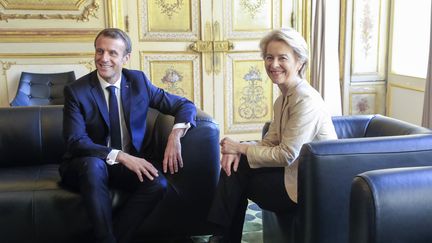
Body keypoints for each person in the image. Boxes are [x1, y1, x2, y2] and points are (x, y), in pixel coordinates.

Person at [59, 28, 196, 243]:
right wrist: (122, 156)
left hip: (124, 167)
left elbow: (183, 105)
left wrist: (175, 135)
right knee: (94, 166)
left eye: (112, 53)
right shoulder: (77, 91)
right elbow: (75, 142)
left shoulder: (138, 82)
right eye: (99, 51)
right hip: (85, 166)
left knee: (157, 183)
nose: (104, 59)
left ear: (126, 57)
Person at [207, 28, 338, 243]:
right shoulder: (283, 98)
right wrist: (237, 150)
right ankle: (220, 237)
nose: (273, 64)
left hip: (308, 185)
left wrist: (239, 148)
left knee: (236, 178)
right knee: (235, 167)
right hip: (291, 173)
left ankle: (220, 236)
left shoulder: (306, 101)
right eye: (269, 57)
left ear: (299, 62)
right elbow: (271, 140)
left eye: (282, 58)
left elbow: (287, 154)